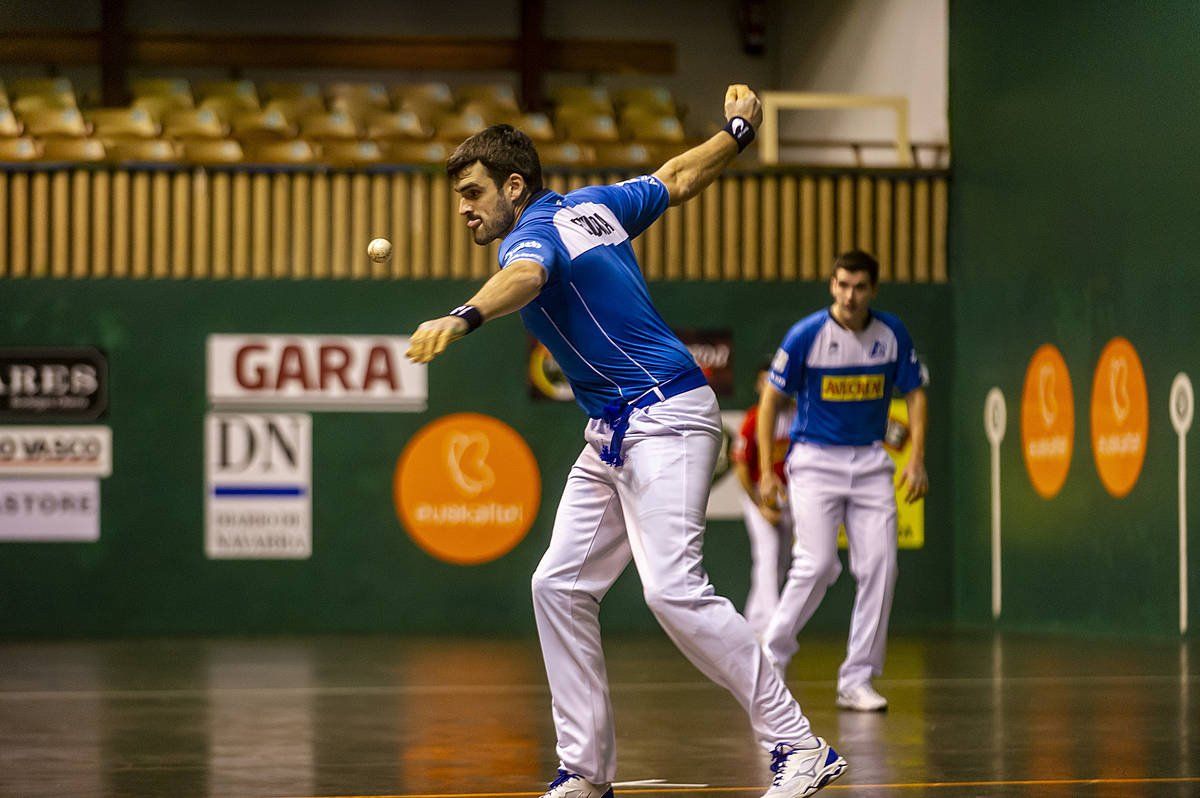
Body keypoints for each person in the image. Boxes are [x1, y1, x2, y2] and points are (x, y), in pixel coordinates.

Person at [406, 86, 847, 798]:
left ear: (513, 186)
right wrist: (735, 131)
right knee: (557, 585)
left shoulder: (531, 236)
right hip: (613, 432)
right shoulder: (596, 206)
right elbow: (677, 177)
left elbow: (525, 275)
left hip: (664, 416)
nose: (465, 208)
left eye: (473, 192)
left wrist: (466, 315)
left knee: (674, 591)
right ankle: (584, 771)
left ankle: (799, 745)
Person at [756, 249, 928, 712]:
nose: (850, 296)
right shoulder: (807, 334)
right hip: (814, 462)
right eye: (842, 285)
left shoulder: (892, 334)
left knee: (881, 569)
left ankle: (857, 678)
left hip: (871, 464)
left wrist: (916, 460)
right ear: (832, 285)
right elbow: (771, 400)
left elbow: (915, 393)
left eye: (859, 287)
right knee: (816, 563)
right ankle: (770, 659)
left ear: (873, 290)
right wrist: (767, 473)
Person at [731, 363, 796, 637]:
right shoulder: (752, 419)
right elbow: (742, 468)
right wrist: (759, 505)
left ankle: (753, 624)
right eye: (764, 382)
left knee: (781, 561)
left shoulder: (798, 416)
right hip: (759, 495)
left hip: (791, 498)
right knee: (767, 556)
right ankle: (772, 629)